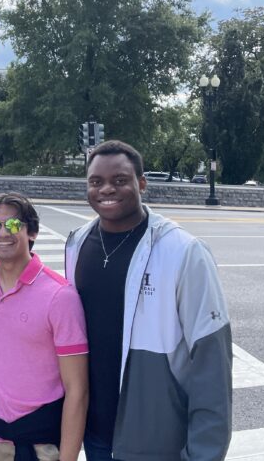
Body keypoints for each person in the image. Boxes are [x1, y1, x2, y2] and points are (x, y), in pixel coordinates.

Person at [64, 140, 232, 461]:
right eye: (96, 182)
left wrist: (205, 453)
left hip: (157, 440)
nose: (106, 189)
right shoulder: (77, 243)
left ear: (142, 183)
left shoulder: (183, 251)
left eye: (120, 180)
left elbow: (212, 363)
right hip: (95, 434)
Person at [0, 192, 89, 461]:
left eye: (13, 225)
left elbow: (78, 390)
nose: (2, 232)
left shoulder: (60, 297)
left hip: (39, 447)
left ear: (32, 232)